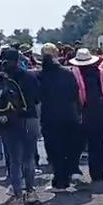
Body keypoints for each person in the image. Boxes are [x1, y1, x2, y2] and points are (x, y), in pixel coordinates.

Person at [0, 48, 42, 205]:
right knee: (29, 158)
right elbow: (37, 98)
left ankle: (18, 196)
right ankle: (30, 192)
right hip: (30, 119)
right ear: (18, 60)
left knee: (14, 160)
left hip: (9, 122)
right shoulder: (29, 76)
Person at [38, 43, 83, 192]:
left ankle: (59, 181)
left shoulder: (41, 75)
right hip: (69, 114)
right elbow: (75, 93)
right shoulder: (68, 73)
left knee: (54, 150)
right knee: (68, 146)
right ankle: (68, 175)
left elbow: (38, 96)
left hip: (50, 116)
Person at [68, 48, 103, 182]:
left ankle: (74, 170)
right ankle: (98, 173)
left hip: (81, 111)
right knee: (98, 144)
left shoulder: (73, 74)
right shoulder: (101, 73)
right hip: (99, 111)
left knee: (77, 143)